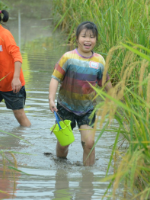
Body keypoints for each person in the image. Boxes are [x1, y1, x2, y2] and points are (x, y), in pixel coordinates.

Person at [49, 21, 112, 166]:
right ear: (77, 38)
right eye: (84, 36)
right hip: (65, 107)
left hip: (87, 109)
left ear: (96, 40)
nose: (88, 40)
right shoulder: (68, 57)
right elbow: (55, 79)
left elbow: (106, 83)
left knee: (89, 143)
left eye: (92, 37)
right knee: (64, 144)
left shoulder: (100, 61)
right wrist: (51, 99)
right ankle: (60, 167)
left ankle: (87, 180)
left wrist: (114, 101)